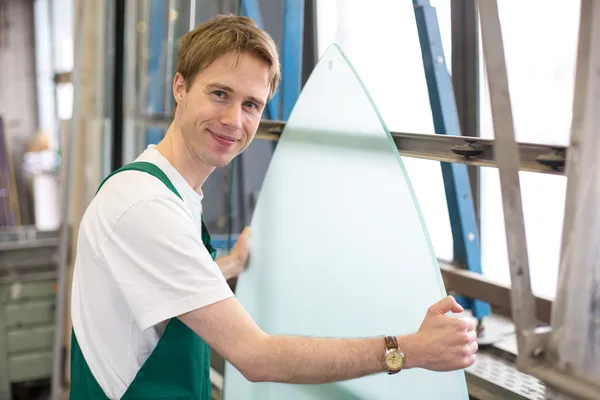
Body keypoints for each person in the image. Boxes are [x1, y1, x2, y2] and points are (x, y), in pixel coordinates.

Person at [69, 14, 479, 400]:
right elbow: (256, 356)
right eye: (219, 94)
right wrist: (408, 350)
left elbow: (167, 278)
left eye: (251, 105)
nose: (233, 120)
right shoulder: (146, 205)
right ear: (180, 87)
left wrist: (230, 264)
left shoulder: (163, 190)